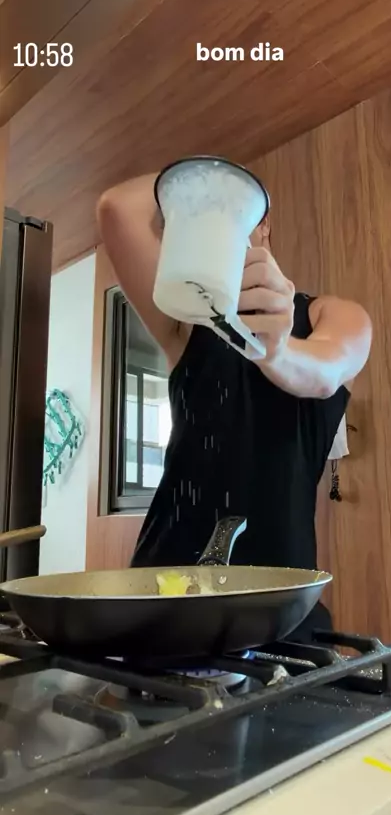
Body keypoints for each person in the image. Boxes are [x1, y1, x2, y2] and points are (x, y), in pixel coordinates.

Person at [97, 171, 372, 640]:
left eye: (233, 214)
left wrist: (274, 349)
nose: (216, 227)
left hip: (279, 607)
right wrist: (206, 177)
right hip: (163, 588)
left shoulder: (335, 314)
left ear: (263, 225)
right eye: (203, 217)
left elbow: (326, 372)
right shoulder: (189, 320)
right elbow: (118, 208)